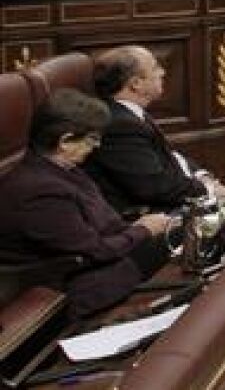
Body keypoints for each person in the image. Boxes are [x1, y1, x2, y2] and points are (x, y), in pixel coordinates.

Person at [0, 89, 175, 317]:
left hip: (101, 260)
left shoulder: (62, 170)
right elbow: (94, 251)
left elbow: (103, 224)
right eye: (92, 138)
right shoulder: (39, 192)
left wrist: (139, 227)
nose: (97, 145)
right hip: (71, 286)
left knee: (182, 234)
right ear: (64, 141)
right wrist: (143, 230)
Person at [85, 46, 225, 215]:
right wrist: (208, 190)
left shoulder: (129, 114)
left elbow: (170, 156)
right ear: (135, 84)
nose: (162, 72)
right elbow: (155, 187)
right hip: (153, 217)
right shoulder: (119, 126)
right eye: (155, 67)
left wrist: (202, 177)